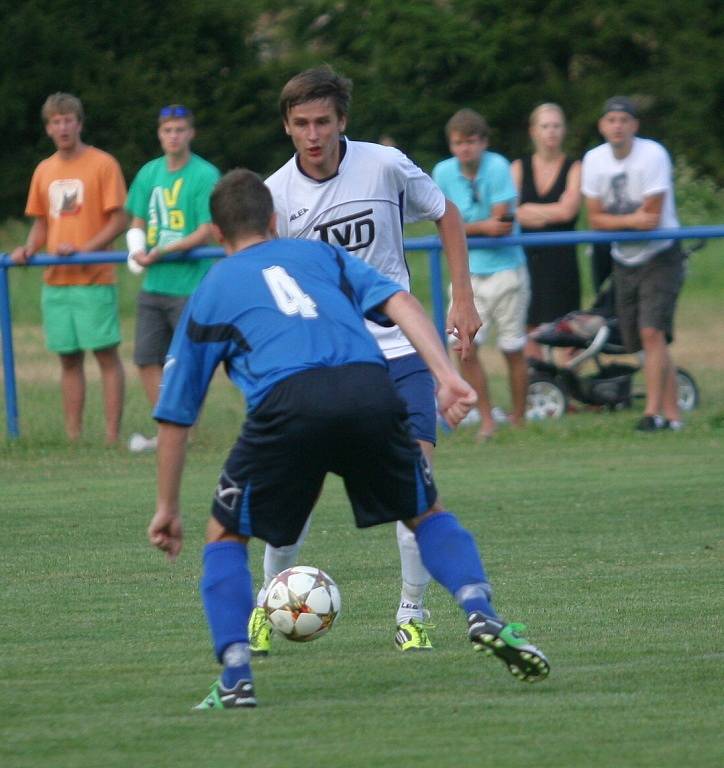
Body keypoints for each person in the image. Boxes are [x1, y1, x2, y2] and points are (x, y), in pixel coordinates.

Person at [146, 168, 550, 708]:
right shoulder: (320, 258)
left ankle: (236, 678)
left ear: (218, 235)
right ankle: (482, 612)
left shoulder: (213, 288)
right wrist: (447, 376)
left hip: (286, 403)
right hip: (370, 387)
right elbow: (401, 303)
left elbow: (175, 413)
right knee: (426, 514)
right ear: (273, 220)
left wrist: (167, 506)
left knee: (224, 537)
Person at [255, 65, 482, 653]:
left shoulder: (383, 164)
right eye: (301, 123)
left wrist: (462, 295)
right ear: (287, 127)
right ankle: (266, 607)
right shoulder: (275, 196)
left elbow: (446, 213)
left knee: (416, 483)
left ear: (342, 121)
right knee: (294, 495)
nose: (313, 134)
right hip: (325, 363)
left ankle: (411, 614)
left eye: (323, 122)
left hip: (401, 350)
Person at [11, 92, 127, 444]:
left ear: (79, 123)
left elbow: (119, 219)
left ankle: (111, 437)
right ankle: (73, 437)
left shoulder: (103, 164)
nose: (63, 127)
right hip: (56, 281)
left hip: (94, 277)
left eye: (68, 120)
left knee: (105, 354)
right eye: (56, 122)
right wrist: (29, 248)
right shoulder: (44, 170)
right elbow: (42, 223)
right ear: (48, 128)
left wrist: (83, 250)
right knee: (68, 359)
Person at [581, 96, 685, 432]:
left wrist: (622, 221)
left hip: (661, 254)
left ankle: (652, 413)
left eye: (624, 120)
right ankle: (673, 415)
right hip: (623, 258)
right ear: (602, 126)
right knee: (642, 340)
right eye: (611, 120)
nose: (617, 126)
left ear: (634, 126)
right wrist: (632, 220)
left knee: (652, 332)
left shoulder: (653, 154)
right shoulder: (594, 160)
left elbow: (652, 219)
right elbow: (594, 219)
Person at [125, 104, 221, 451]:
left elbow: (206, 231)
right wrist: (137, 249)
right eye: (168, 130)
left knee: (188, 360)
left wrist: (162, 252)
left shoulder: (204, 174)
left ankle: (188, 431)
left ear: (191, 133)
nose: (174, 136)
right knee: (146, 358)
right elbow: (136, 220)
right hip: (154, 284)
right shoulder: (149, 173)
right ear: (159, 134)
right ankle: (168, 427)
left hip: (190, 285)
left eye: (180, 129)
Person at [432, 109, 529, 440]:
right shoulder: (443, 172)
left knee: (513, 348)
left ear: (483, 142)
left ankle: (519, 418)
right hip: (466, 274)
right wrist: (480, 225)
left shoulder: (499, 166)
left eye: (471, 142)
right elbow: (441, 222)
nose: (465, 150)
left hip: (506, 270)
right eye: (458, 143)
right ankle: (486, 418)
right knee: (463, 348)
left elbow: (502, 225)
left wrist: (461, 226)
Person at [511, 104, 581, 360]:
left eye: (556, 126)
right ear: (533, 131)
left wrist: (529, 210)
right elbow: (509, 212)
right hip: (526, 256)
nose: (551, 132)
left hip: (562, 258)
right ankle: (540, 387)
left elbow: (568, 211)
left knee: (568, 324)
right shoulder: (519, 167)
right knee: (529, 325)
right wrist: (550, 212)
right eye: (545, 126)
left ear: (564, 130)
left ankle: (570, 390)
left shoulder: (574, 167)